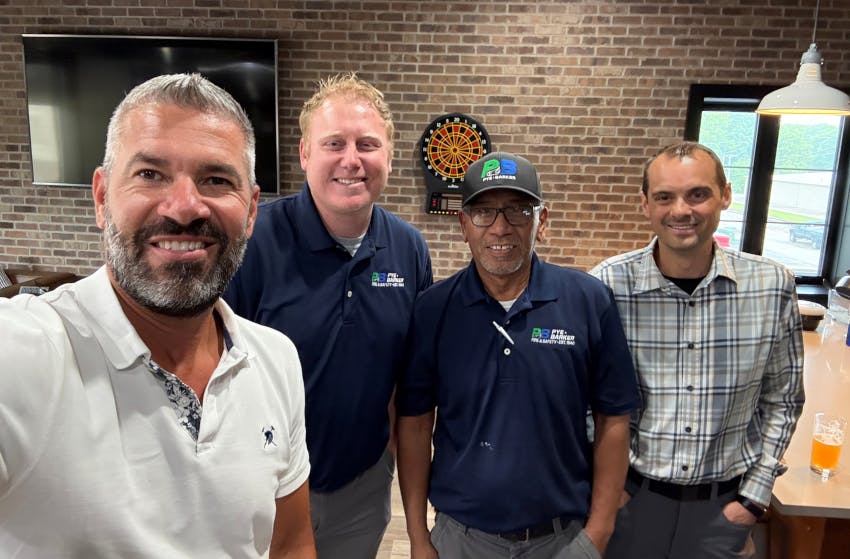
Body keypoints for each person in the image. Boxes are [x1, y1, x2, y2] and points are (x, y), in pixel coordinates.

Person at [0, 74, 315, 558]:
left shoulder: (276, 360)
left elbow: (290, 543)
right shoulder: (25, 351)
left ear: (251, 211)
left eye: (216, 179)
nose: (186, 207)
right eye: (150, 174)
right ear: (103, 197)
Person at [224, 72, 432, 558]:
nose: (351, 160)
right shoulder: (253, 241)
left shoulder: (409, 249)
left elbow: (409, 378)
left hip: (359, 488)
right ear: (304, 154)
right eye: (334, 143)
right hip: (262, 486)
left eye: (368, 144)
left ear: (390, 156)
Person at [396, 151, 640, 559]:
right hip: (461, 539)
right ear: (463, 225)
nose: (500, 227)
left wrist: (598, 532)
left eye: (518, 211)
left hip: (561, 539)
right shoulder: (433, 309)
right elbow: (416, 424)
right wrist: (419, 537)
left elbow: (614, 416)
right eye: (484, 212)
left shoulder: (588, 301)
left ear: (541, 221)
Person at [590, 141, 805, 559]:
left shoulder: (772, 286)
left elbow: (783, 400)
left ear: (725, 194)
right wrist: (606, 490)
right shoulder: (607, 286)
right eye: (664, 197)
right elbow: (581, 399)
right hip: (631, 500)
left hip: (722, 510)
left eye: (698, 194)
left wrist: (753, 498)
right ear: (645, 204)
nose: (681, 211)